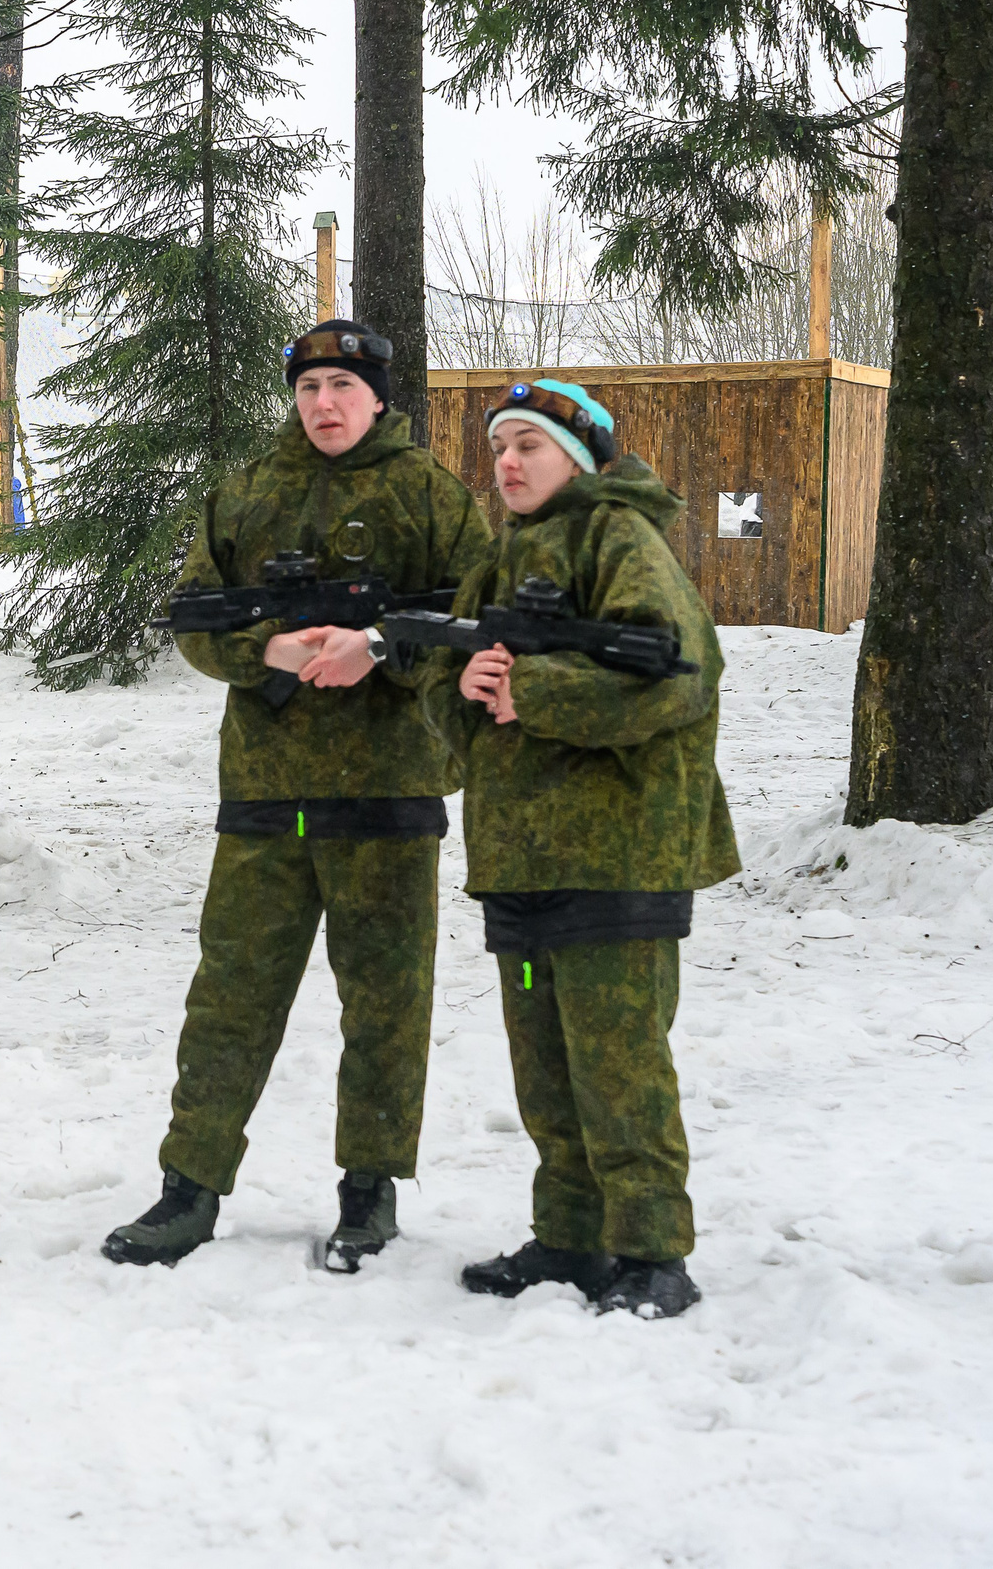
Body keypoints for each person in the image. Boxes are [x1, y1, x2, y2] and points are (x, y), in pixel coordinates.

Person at [102, 320, 493, 1272]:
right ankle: (189, 1187)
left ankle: (370, 1188)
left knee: (387, 1003)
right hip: (267, 796)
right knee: (230, 997)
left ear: (379, 398)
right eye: (310, 386)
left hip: (391, 791)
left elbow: (477, 619)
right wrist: (267, 650)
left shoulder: (430, 495)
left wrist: (379, 648)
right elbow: (197, 616)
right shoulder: (246, 493)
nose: (325, 405)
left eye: (344, 388)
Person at [420, 379, 738, 1319]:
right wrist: (464, 684)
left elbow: (678, 677)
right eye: (499, 447)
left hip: (618, 854)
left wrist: (537, 693)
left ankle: (652, 1253)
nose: (508, 462)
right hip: (520, 857)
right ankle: (570, 1237)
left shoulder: (619, 539)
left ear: (580, 456)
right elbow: (453, 696)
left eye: (530, 444)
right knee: (547, 1071)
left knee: (620, 1064)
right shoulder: (501, 559)